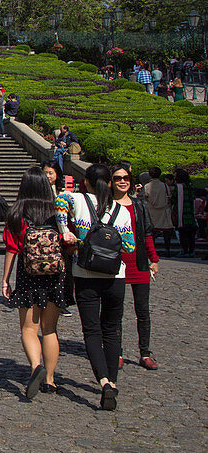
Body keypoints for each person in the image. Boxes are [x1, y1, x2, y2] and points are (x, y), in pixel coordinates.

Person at [57, 163, 135, 411]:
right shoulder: (120, 210)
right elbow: (130, 247)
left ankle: (103, 382)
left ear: (87, 182)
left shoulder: (76, 199)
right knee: (112, 331)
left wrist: (67, 234)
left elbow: (59, 204)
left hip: (85, 274)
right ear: (109, 183)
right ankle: (112, 380)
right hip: (115, 277)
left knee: (91, 332)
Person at [1, 167, 74, 398]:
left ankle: (35, 367)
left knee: (28, 329)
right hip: (55, 275)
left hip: (28, 274)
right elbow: (68, 242)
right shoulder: (57, 212)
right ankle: (50, 380)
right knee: (50, 329)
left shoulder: (17, 214)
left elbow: (12, 249)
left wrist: (5, 281)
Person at [110, 162, 160, 371]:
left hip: (138, 263)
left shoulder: (139, 205)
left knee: (143, 310)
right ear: (110, 181)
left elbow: (146, 233)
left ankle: (145, 352)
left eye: (126, 178)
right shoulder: (106, 205)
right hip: (115, 263)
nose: (122, 181)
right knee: (115, 310)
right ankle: (117, 351)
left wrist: (154, 259)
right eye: (117, 178)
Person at [172, 168, 197, 257]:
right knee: (191, 235)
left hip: (182, 214)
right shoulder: (190, 186)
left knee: (183, 234)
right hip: (190, 213)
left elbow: (174, 200)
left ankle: (185, 251)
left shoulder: (178, 187)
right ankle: (191, 251)